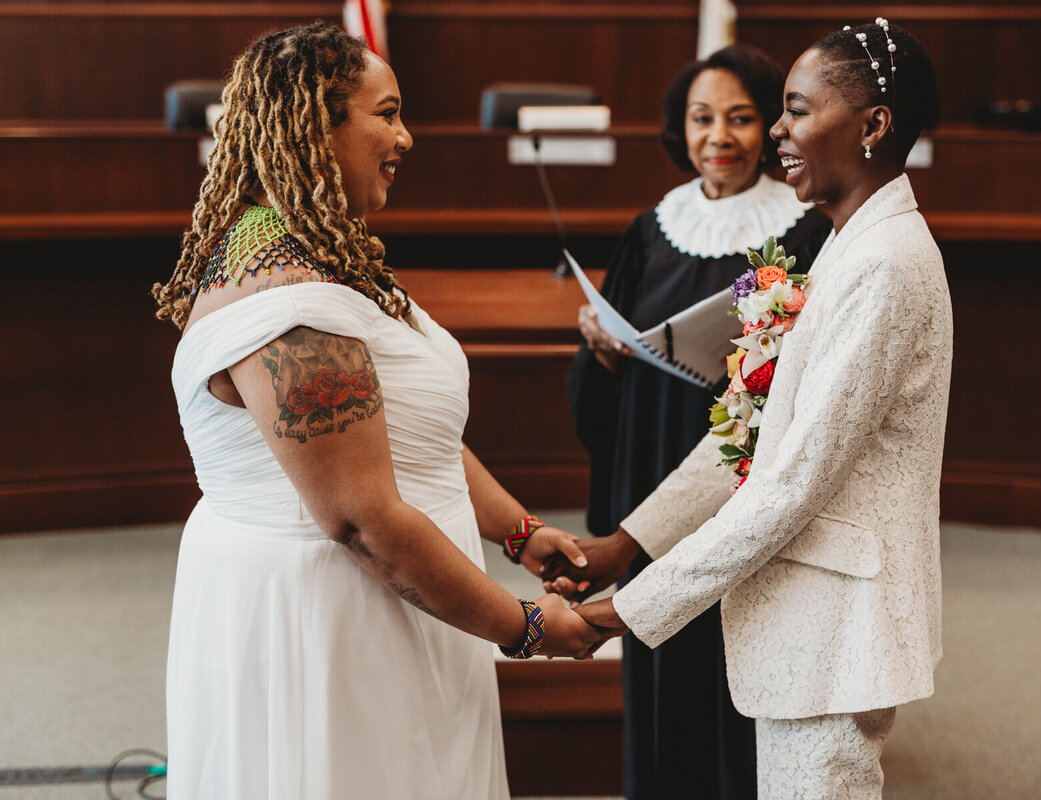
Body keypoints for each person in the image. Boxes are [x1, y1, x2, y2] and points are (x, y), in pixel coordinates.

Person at [151, 23, 598, 799]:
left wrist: (516, 529)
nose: (407, 137)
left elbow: (394, 431)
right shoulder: (287, 298)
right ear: (312, 123)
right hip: (330, 614)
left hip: (392, 596)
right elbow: (363, 519)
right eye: (386, 113)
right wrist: (523, 627)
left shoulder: (313, 250)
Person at [554, 20, 950, 800]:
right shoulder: (845, 244)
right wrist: (626, 543)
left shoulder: (884, 265)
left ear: (872, 126)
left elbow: (790, 480)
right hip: (804, 628)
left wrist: (622, 613)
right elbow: (752, 424)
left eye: (796, 110)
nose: (776, 131)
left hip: (836, 631)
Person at [565, 43, 832, 800]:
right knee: (656, 636)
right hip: (650, 453)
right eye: (702, 118)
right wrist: (604, 353)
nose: (720, 135)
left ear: (773, 128)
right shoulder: (653, 228)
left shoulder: (800, 230)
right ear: (679, 129)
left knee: (732, 639)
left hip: (742, 466)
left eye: (741, 119)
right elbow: (601, 388)